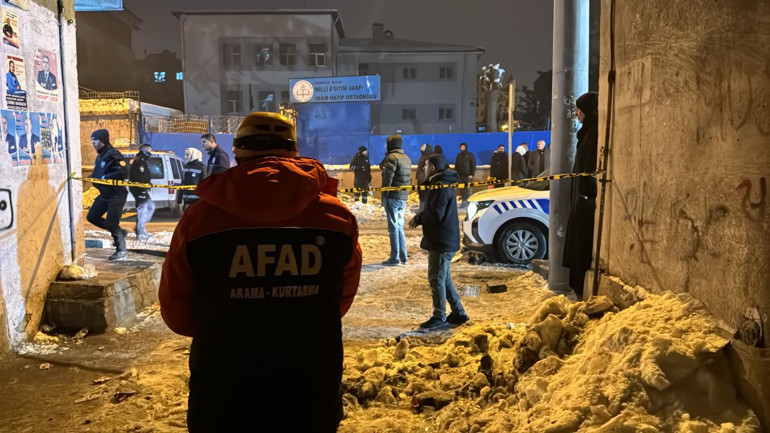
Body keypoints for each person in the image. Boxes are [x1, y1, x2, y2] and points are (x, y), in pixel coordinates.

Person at [159, 112, 361, 432]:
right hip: (310, 385)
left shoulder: (198, 222)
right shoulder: (336, 219)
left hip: (223, 389)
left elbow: (176, 311)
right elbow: (340, 300)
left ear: (238, 153)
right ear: (294, 152)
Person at [408, 153, 469, 329]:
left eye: (426, 165)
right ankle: (458, 313)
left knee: (436, 278)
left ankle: (438, 316)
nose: (423, 168)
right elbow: (434, 211)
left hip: (442, 242)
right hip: (443, 239)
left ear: (433, 168)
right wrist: (420, 216)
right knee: (444, 278)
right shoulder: (440, 184)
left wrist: (419, 219)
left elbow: (436, 215)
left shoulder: (440, 186)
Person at [563, 91, 599, 299]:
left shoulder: (593, 136)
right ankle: (577, 289)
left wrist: (586, 193)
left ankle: (580, 292)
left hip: (585, 204)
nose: (576, 113)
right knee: (575, 251)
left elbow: (590, 172)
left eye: (579, 109)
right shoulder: (586, 134)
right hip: (580, 200)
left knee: (580, 251)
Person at [86, 129, 128, 261]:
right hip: (104, 194)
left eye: (96, 139)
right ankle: (120, 232)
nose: (93, 142)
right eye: (92, 139)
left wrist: (105, 177)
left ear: (103, 140)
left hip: (116, 194)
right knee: (92, 216)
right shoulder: (100, 155)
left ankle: (121, 250)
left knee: (111, 222)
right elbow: (98, 172)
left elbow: (122, 172)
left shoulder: (113, 154)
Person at [380, 134, 411, 266]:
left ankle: (394, 257)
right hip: (402, 197)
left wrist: (384, 194)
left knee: (393, 227)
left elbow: (388, 179)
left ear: (390, 145)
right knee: (399, 226)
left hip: (392, 197)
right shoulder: (406, 158)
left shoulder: (392, 158)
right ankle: (403, 256)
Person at [128, 143, 155, 241]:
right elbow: (139, 177)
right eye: (149, 151)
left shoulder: (142, 161)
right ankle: (140, 233)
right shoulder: (139, 162)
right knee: (142, 210)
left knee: (151, 206)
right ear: (145, 151)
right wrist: (143, 189)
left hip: (142, 188)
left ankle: (140, 227)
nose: (150, 153)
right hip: (139, 189)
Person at [454, 142, 476, 207]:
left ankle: (469, 203)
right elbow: (456, 165)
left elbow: (473, 165)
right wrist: (457, 174)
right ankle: (463, 203)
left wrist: (471, 174)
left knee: (468, 190)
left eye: (463, 147)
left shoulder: (470, 155)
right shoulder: (459, 155)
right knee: (462, 190)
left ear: (466, 147)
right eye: (461, 147)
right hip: (460, 176)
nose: (462, 148)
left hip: (468, 176)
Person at [415, 142, 434, 209]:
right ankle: (423, 208)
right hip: (422, 179)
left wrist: (422, 178)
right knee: (422, 194)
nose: (421, 148)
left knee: (424, 195)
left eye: (423, 146)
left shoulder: (427, 158)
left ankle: (423, 209)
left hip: (424, 180)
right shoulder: (424, 157)